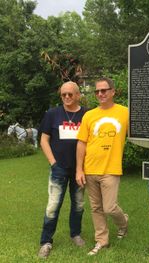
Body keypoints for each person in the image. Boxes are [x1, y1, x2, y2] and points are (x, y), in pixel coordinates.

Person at [76, 77, 129, 256]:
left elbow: (148, 121)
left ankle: (123, 223)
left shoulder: (125, 112)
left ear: (113, 91)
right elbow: (82, 143)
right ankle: (102, 241)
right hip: (90, 169)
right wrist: (79, 169)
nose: (100, 94)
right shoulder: (89, 115)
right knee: (96, 208)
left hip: (111, 169)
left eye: (104, 90)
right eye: (97, 91)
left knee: (110, 207)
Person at [38, 81, 87, 259]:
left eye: (70, 94)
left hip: (80, 170)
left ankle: (75, 234)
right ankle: (46, 242)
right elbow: (44, 140)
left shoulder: (86, 114)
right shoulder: (52, 114)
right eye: (63, 94)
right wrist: (53, 163)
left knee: (79, 204)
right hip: (59, 168)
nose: (66, 97)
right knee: (52, 206)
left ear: (78, 95)